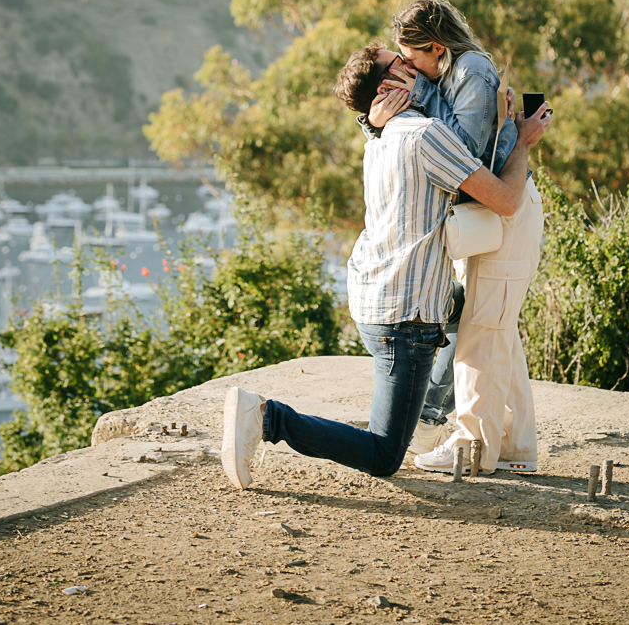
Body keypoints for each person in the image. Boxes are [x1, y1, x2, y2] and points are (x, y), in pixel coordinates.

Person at [220, 42, 551, 490]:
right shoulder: (427, 134)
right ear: (389, 85)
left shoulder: (378, 135)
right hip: (406, 318)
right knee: (382, 455)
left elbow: (379, 127)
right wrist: (523, 141)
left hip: (374, 295)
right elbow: (507, 200)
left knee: (472, 309)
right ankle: (267, 417)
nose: (413, 66)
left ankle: (432, 416)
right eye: (400, 64)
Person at [368, 0, 545, 475]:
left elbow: (459, 154)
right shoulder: (451, 74)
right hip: (487, 214)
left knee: (480, 335)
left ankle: (472, 446)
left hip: (502, 209)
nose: (409, 69)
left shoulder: (471, 73)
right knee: (497, 331)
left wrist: (420, 98)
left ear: (437, 46)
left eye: (413, 58)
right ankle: (514, 446)